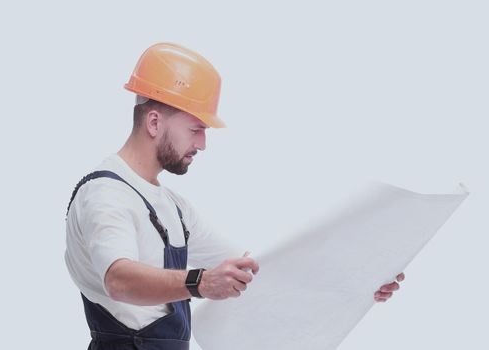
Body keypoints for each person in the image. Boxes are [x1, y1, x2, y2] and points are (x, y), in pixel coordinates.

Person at [64, 42, 404, 350]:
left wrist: (355, 286)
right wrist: (200, 282)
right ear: (154, 122)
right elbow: (119, 280)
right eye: (195, 129)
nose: (202, 144)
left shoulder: (174, 207)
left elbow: (258, 273)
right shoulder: (106, 195)